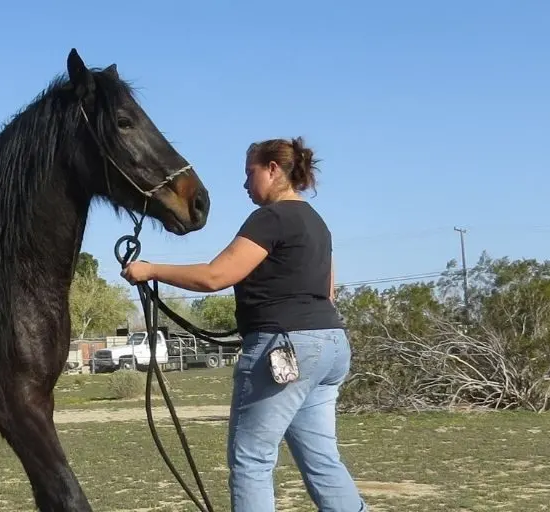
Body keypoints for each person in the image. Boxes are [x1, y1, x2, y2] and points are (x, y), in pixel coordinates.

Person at [121, 137, 366, 512]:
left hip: (284, 347)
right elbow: (328, 292)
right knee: (322, 460)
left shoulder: (272, 218)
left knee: (252, 460)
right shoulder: (317, 224)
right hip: (330, 344)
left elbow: (215, 277)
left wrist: (150, 270)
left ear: (272, 169)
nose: (245, 184)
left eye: (249, 173)